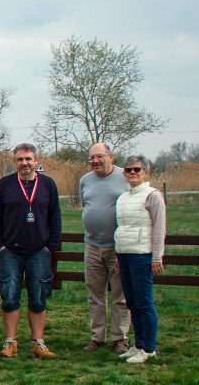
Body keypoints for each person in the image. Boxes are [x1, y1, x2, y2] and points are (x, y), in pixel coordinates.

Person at [0, 143, 61, 359]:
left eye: (28, 159)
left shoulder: (48, 184)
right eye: (20, 159)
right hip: (10, 250)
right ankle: (10, 342)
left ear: (36, 160)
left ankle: (38, 342)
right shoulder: (5, 184)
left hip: (39, 250)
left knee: (38, 297)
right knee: (9, 296)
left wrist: (51, 246)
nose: (24, 163)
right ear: (15, 162)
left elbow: (55, 217)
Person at [113, 155, 166, 364]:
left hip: (142, 255)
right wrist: (118, 255)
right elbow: (122, 228)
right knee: (132, 303)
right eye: (128, 170)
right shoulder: (123, 197)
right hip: (124, 255)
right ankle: (138, 344)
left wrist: (156, 257)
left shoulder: (152, 196)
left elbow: (159, 228)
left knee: (144, 303)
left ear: (146, 173)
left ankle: (149, 348)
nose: (132, 173)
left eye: (137, 169)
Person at [79, 143, 131, 354]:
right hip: (92, 246)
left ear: (110, 156)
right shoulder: (85, 180)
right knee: (95, 295)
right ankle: (97, 337)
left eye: (99, 157)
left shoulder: (124, 177)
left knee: (121, 296)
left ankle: (119, 338)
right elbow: (87, 206)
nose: (95, 161)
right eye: (91, 158)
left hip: (119, 248)